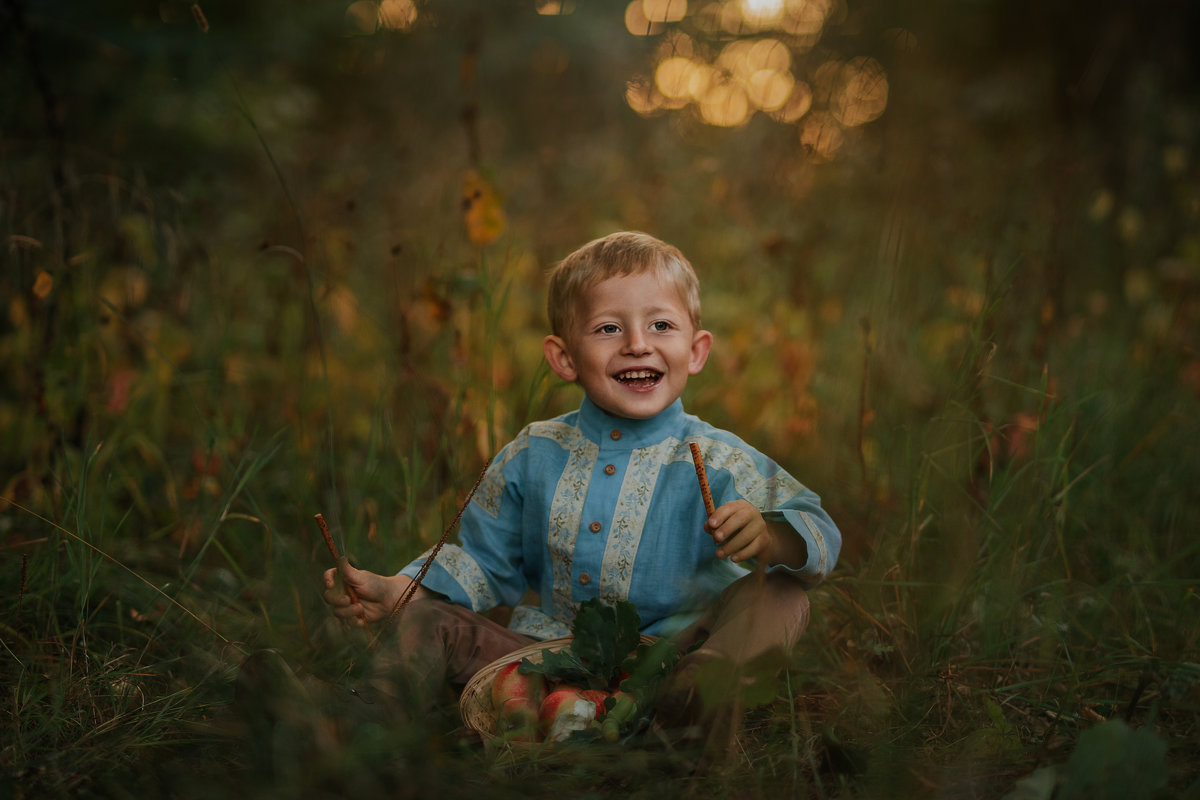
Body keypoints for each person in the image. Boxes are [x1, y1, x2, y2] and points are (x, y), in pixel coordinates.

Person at [322, 231, 840, 753]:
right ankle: (362, 729)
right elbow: (482, 560)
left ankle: (697, 708)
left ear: (696, 350)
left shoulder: (719, 457)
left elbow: (817, 528)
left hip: (674, 658)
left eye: (661, 325)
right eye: (609, 328)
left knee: (780, 593)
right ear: (565, 358)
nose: (638, 343)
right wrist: (400, 592)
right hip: (546, 659)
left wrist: (770, 533)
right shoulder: (534, 453)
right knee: (429, 621)